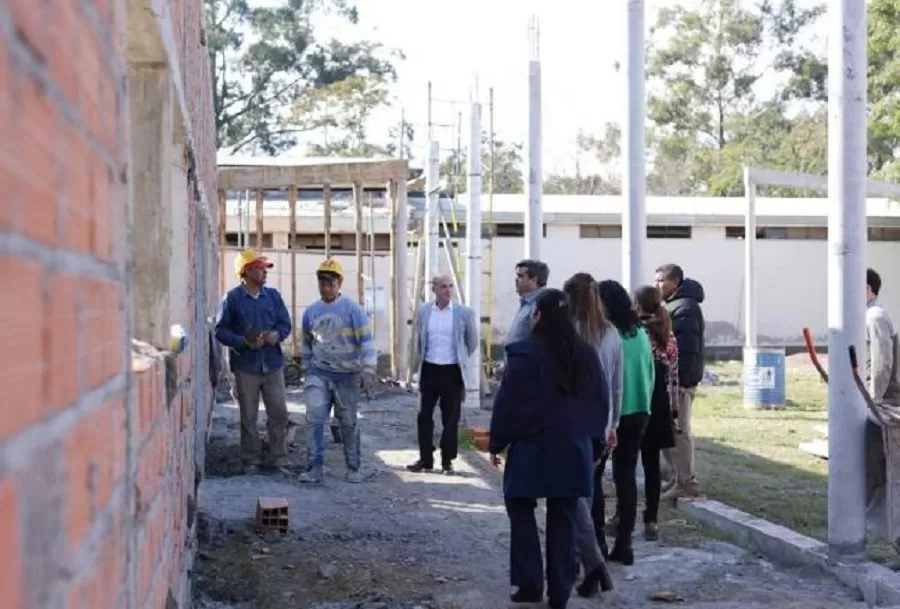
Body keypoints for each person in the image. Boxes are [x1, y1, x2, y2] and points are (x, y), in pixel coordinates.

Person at [489, 289, 609, 609]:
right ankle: (559, 592)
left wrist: (497, 442)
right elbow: (599, 403)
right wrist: (595, 445)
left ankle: (529, 585)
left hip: (531, 450)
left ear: (538, 316)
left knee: (519, 507)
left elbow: (508, 404)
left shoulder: (523, 353)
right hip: (572, 449)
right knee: (563, 516)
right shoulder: (586, 353)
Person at [562, 273, 618, 597]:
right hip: (601, 426)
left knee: (572, 499)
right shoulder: (611, 334)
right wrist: (614, 426)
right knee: (584, 495)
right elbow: (617, 385)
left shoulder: (569, 333)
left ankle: (592, 564)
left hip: (573, 425)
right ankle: (582, 567)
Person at [297, 258, 377, 484]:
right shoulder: (311, 312)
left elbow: (366, 342)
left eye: (330, 283)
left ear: (339, 283)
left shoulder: (353, 311)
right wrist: (306, 369)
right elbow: (306, 343)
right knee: (314, 420)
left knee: (348, 422)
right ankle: (314, 468)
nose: (326, 287)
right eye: (322, 282)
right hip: (319, 373)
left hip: (347, 376)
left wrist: (369, 369)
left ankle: (353, 467)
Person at [215, 249, 292, 475]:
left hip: (272, 363)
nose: (264, 273)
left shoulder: (273, 296)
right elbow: (221, 331)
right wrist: (244, 342)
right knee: (248, 415)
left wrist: (276, 336)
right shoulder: (232, 299)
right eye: (260, 268)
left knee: (279, 413)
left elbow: (284, 323)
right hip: (246, 366)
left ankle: (277, 458)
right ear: (246, 271)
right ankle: (250, 458)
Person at [595, 280, 653, 565]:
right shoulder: (640, 332)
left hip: (613, 414)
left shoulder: (608, 335)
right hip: (640, 409)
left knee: (594, 477)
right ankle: (625, 544)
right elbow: (650, 373)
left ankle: (597, 546)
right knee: (625, 477)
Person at [407, 274, 479, 475]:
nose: (448, 290)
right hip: (429, 369)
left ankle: (447, 460)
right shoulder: (423, 311)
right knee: (424, 416)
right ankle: (425, 459)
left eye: (450, 286)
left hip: (452, 371)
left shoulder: (464, 313)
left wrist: (461, 359)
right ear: (434, 290)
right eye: (443, 287)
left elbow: (472, 342)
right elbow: (418, 340)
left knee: (450, 418)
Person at [654, 263, 705, 500]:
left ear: (675, 282)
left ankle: (687, 483)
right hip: (671, 380)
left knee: (680, 430)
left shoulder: (685, 308)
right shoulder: (674, 305)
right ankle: (677, 478)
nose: (657, 285)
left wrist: (683, 381)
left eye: (661, 280)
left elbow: (687, 349)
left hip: (681, 382)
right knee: (668, 430)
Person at [634, 286, 680, 541]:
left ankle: (622, 517)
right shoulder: (668, 335)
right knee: (652, 466)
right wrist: (674, 412)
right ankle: (652, 520)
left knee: (626, 462)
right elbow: (674, 376)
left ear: (638, 306)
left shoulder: (635, 334)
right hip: (660, 402)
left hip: (638, 399)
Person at [866, 268, 900, 403]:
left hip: (883, 400)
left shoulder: (875, 317)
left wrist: (874, 399)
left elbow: (882, 361)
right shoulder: (869, 314)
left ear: (867, 288)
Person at [506, 259, 550, 344]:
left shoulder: (541, 304)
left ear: (534, 280)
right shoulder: (526, 302)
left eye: (520, 276)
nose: (516, 279)